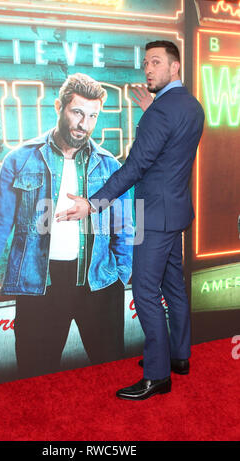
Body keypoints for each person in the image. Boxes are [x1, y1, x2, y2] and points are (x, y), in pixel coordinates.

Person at [56, 41, 205, 400]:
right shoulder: (191, 106)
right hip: (176, 212)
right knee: (173, 289)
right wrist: (153, 109)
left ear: (175, 67)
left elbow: (135, 168)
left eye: (156, 62)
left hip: (154, 216)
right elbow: (171, 149)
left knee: (145, 293)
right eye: (145, 63)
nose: (148, 70)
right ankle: (179, 357)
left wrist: (92, 205)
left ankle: (157, 376)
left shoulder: (159, 113)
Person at [0, 73, 133, 378]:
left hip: (97, 284)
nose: (84, 124)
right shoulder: (20, 160)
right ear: (59, 106)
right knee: (35, 378)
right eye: (77, 112)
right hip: (40, 285)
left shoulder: (109, 164)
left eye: (93, 116)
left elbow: (124, 227)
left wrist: (120, 275)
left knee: (112, 375)